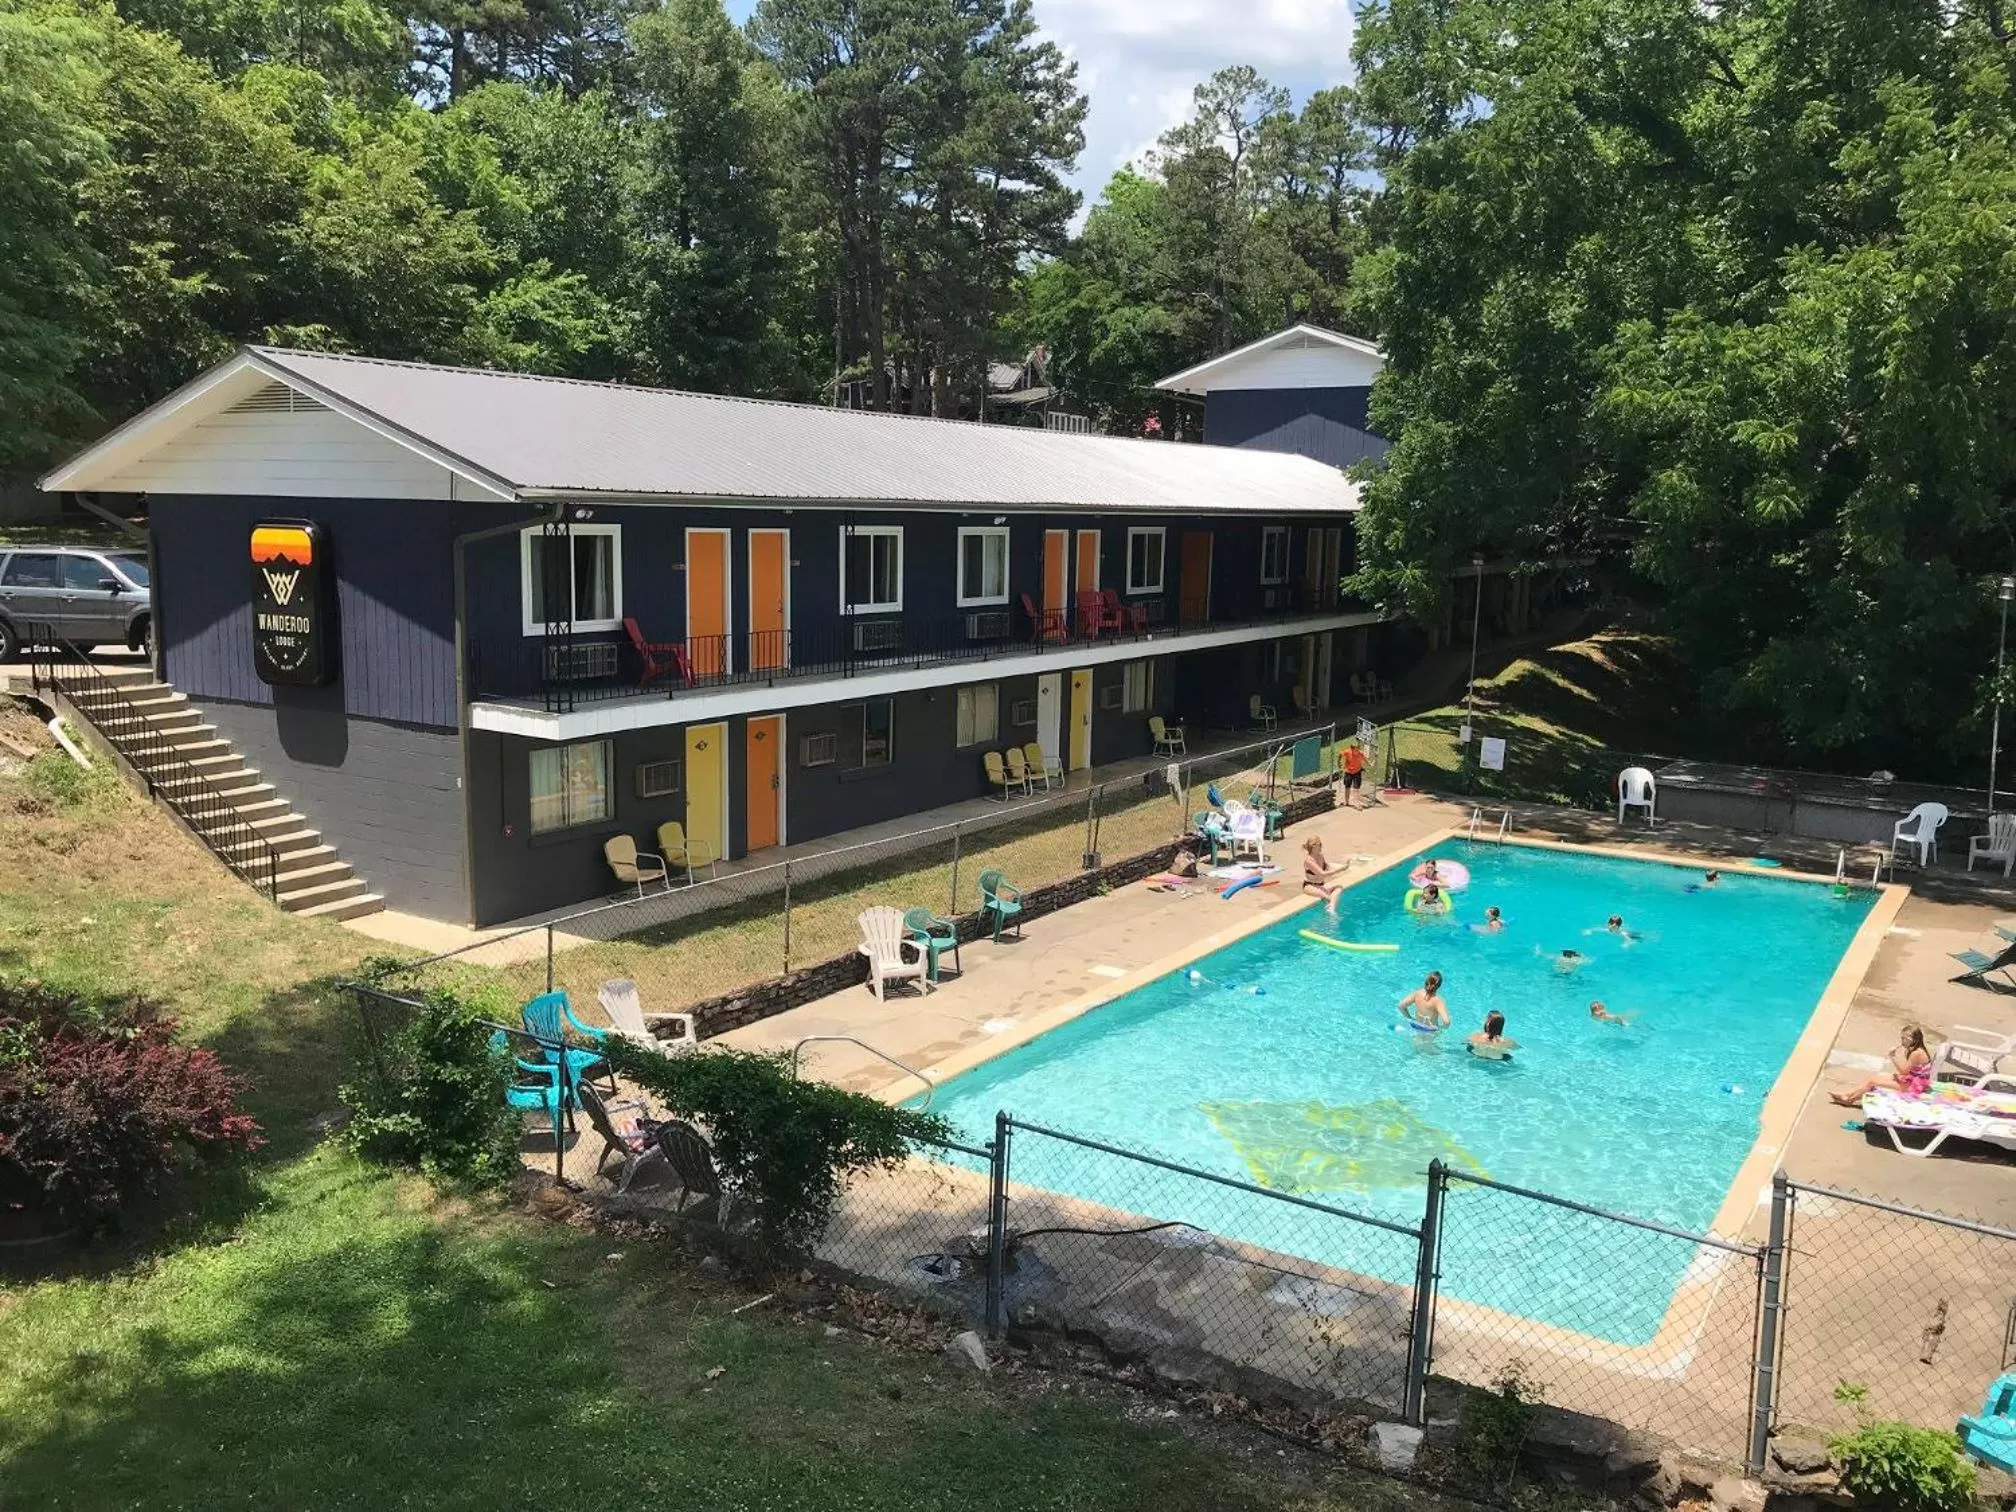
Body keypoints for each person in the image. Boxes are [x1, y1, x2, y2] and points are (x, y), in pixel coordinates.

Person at [1829, 1026, 1933, 1106]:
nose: (1901, 1041)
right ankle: (1846, 1094)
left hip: (1915, 1086)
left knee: (1872, 1082)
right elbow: (1908, 1069)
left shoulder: (1916, 1053)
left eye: (1903, 1039)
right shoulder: (1914, 1050)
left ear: (1912, 1040)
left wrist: (1893, 1056)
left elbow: (1904, 1071)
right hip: (1913, 1080)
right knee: (1871, 1079)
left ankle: (1849, 1099)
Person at [1302, 836, 1349, 913]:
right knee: (1329, 897)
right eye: (1319, 844)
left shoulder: (1320, 856)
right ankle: (1332, 911)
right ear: (1314, 846)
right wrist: (1341, 869)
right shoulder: (1309, 860)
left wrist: (1341, 866)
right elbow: (1322, 874)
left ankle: (1331, 908)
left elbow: (1327, 867)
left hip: (1321, 885)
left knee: (1339, 888)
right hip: (1310, 886)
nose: (1321, 846)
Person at [1340, 739, 1368, 809]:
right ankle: (1346, 802)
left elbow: (1365, 759)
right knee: (1347, 787)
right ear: (1352, 749)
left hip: (1357, 772)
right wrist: (1339, 764)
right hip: (1348, 772)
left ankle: (1357, 804)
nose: (1357, 750)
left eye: (1357, 748)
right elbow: (1340, 755)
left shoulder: (1360, 753)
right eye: (1355, 748)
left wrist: (1371, 764)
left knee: (1356, 788)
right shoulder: (1347, 752)